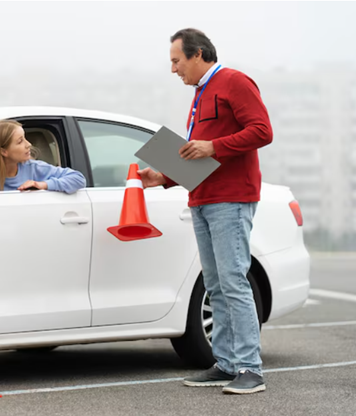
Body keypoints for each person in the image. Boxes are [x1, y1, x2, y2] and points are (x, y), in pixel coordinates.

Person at [138, 28, 273, 394]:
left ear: (198, 55)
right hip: (202, 199)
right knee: (215, 285)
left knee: (233, 281)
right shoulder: (200, 94)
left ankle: (250, 369)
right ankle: (227, 364)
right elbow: (198, 157)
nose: (173, 69)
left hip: (231, 199)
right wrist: (162, 177)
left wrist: (213, 146)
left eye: (176, 61)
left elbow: (262, 131)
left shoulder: (234, 81)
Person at [0, 119, 86, 194]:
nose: (29, 144)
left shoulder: (35, 168)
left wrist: (43, 185)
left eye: (25, 138)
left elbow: (78, 179)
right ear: (3, 152)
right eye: (20, 141)